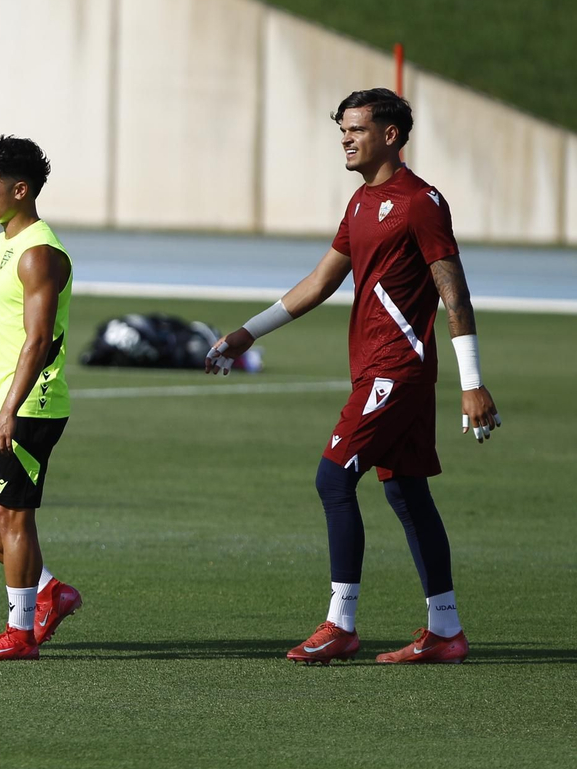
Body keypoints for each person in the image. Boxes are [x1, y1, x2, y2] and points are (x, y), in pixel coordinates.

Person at [204, 88, 501, 665]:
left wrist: (473, 382)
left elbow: (453, 291)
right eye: (341, 129)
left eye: (356, 128)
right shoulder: (362, 203)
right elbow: (319, 283)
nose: (345, 138)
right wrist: (247, 333)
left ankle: (341, 623)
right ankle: (446, 630)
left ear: (390, 134)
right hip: (379, 370)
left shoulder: (420, 202)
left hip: (397, 369)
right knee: (406, 490)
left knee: (332, 478)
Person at [0, 136, 82, 661]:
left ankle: (21, 632)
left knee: (11, 515)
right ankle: (49, 591)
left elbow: (39, 339)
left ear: (20, 189)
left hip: (28, 408)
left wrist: (8, 410)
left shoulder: (39, 254)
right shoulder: (3, 240)